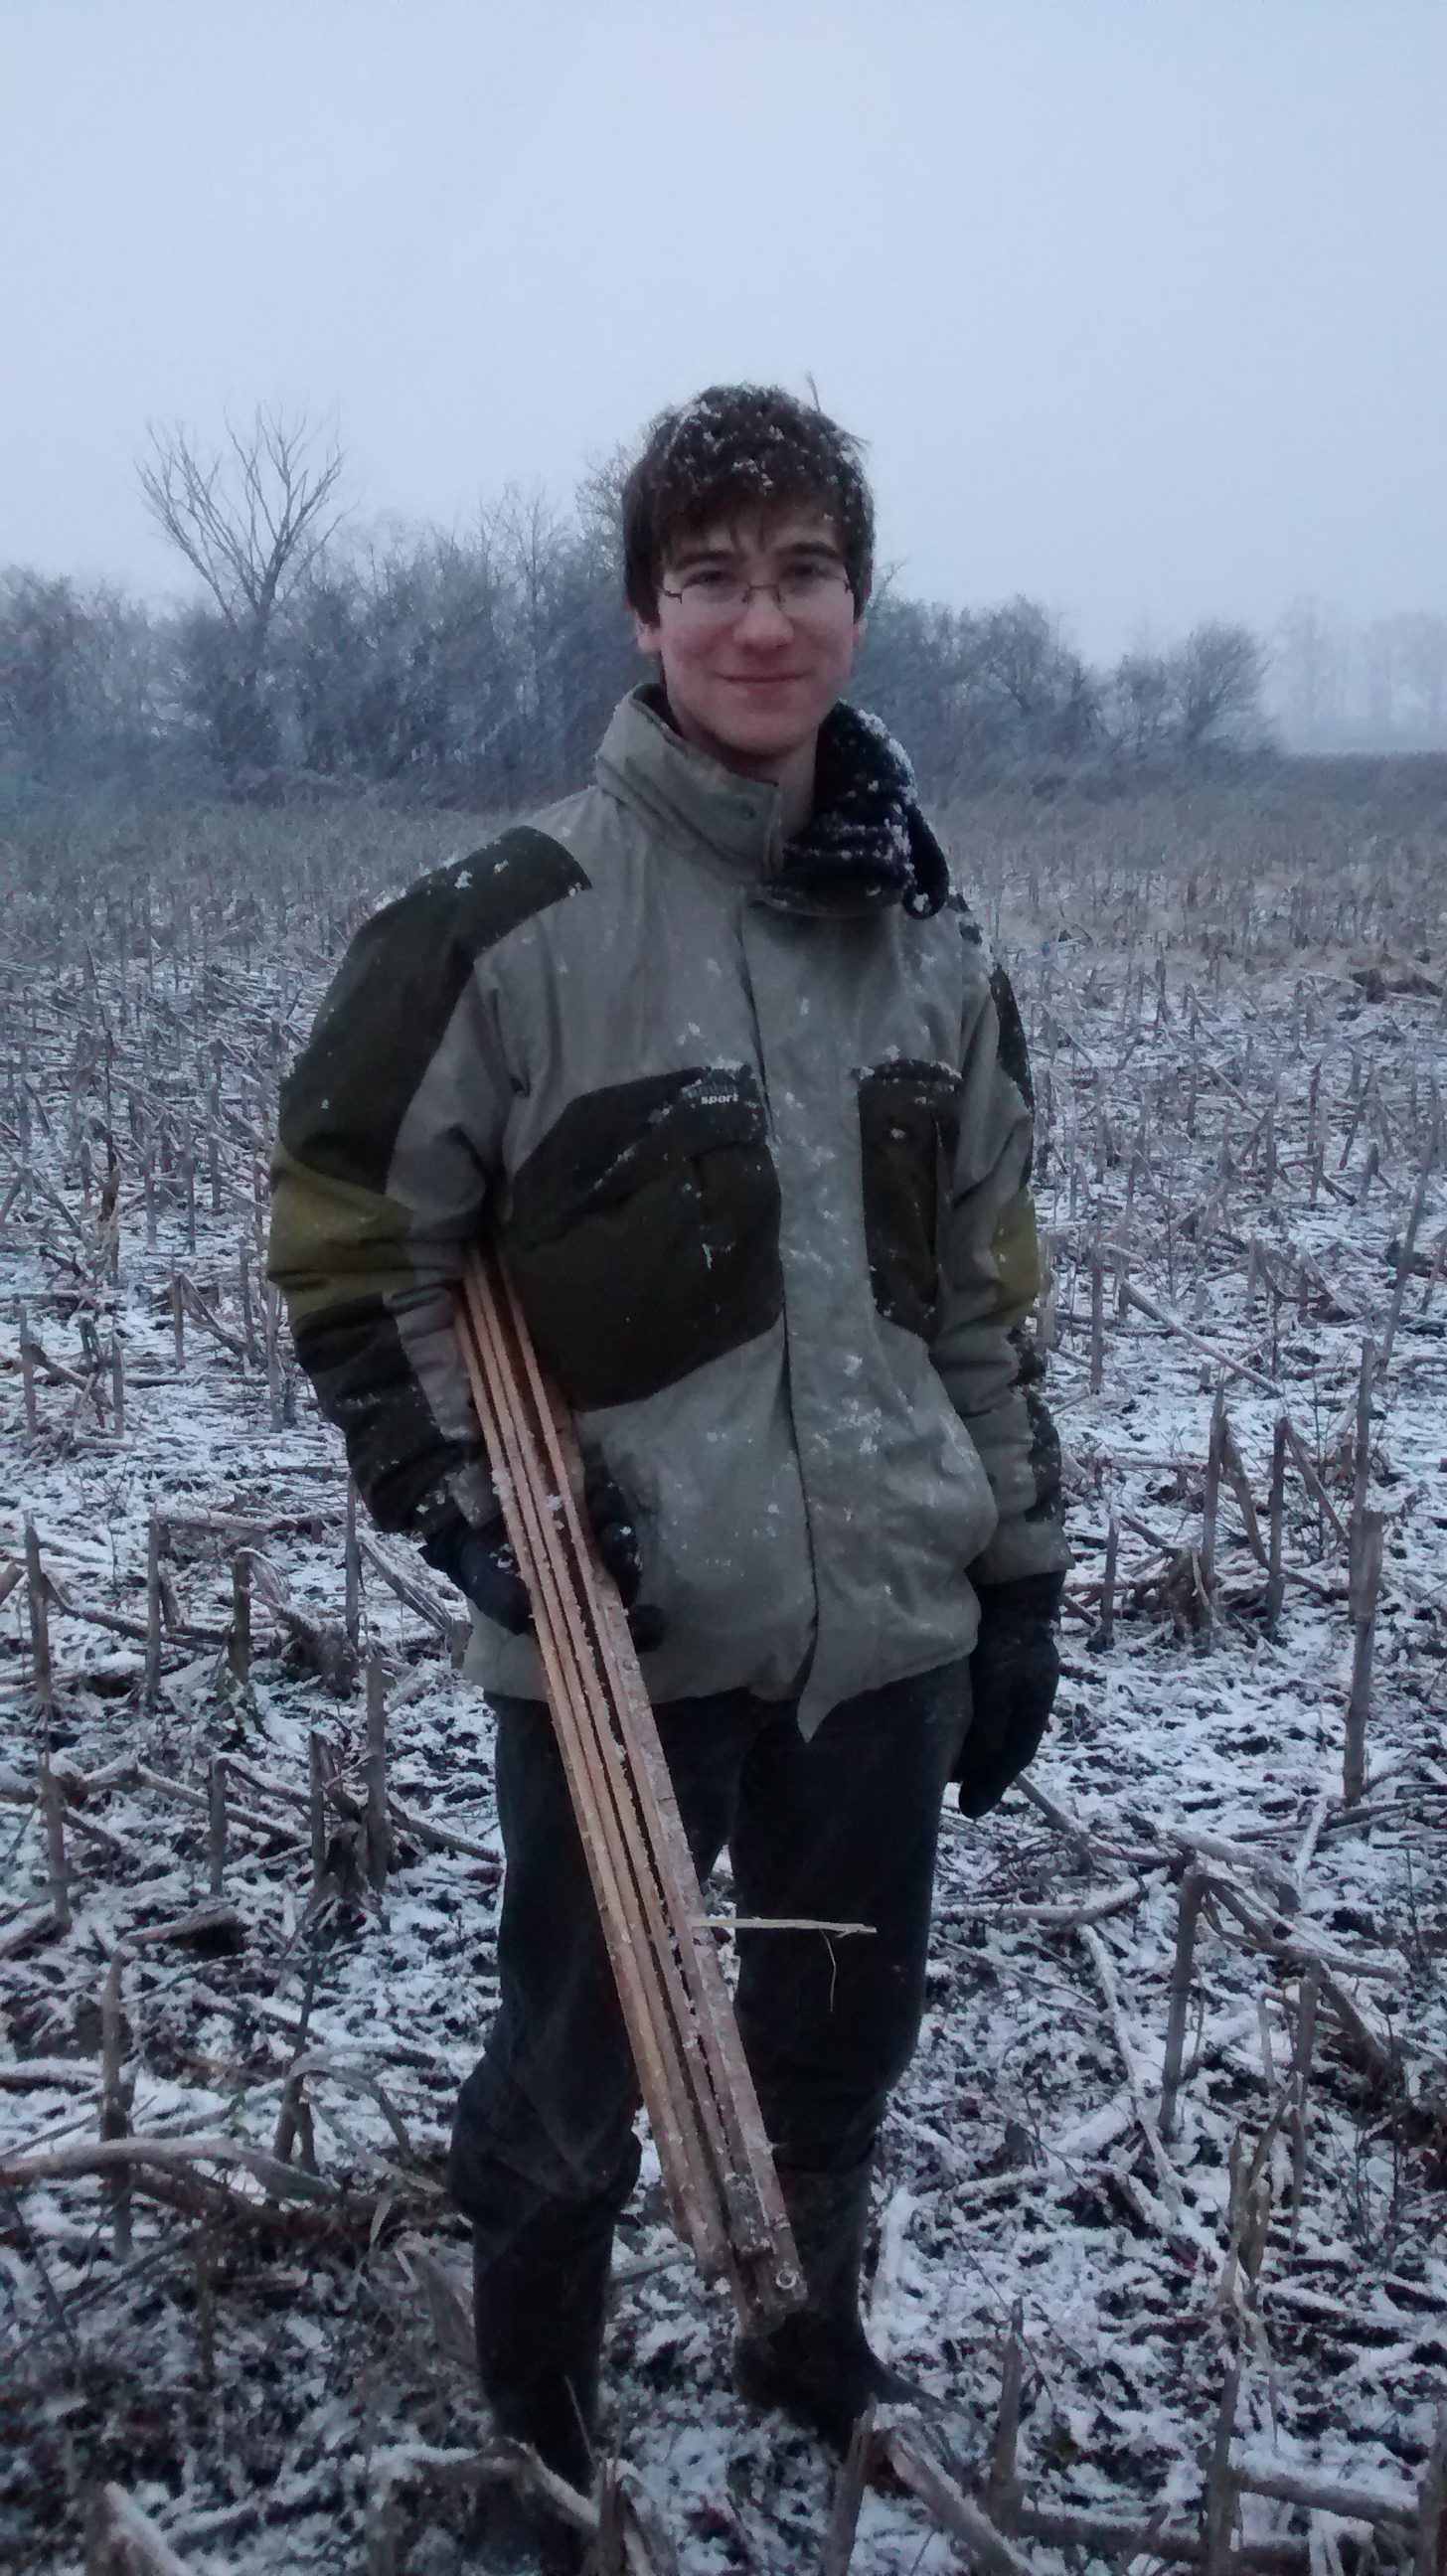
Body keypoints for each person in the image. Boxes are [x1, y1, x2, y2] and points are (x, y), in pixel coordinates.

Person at [269, 384, 1067, 2568]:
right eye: (708, 572)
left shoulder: (930, 936)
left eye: (800, 566)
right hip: (617, 1631)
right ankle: (536, 2404)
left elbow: (981, 1284)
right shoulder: (500, 921)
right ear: (641, 614)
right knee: (576, 2063)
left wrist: (1018, 1570)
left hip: (883, 1622)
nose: (757, 613)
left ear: (855, 602)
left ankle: (796, 2323)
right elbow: (353, 1240)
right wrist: (468, 1511)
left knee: (838, 2022)